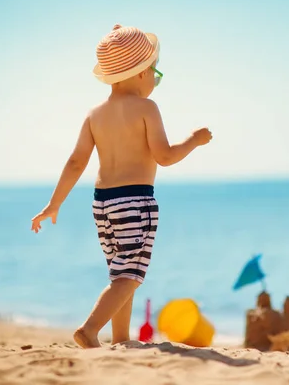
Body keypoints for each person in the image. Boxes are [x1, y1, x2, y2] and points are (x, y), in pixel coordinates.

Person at [30, 24, 212, 348]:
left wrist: (54, 203)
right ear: (141, 72)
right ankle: (88, 329)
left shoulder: (94, 114)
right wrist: (194, 141)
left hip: (102, 204)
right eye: (154, 71)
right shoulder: (146, 108)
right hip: (134, 202)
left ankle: (120, 340)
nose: (155, 79)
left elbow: (76, 162)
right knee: (130, 275)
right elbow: (166, 156)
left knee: (120, 272)